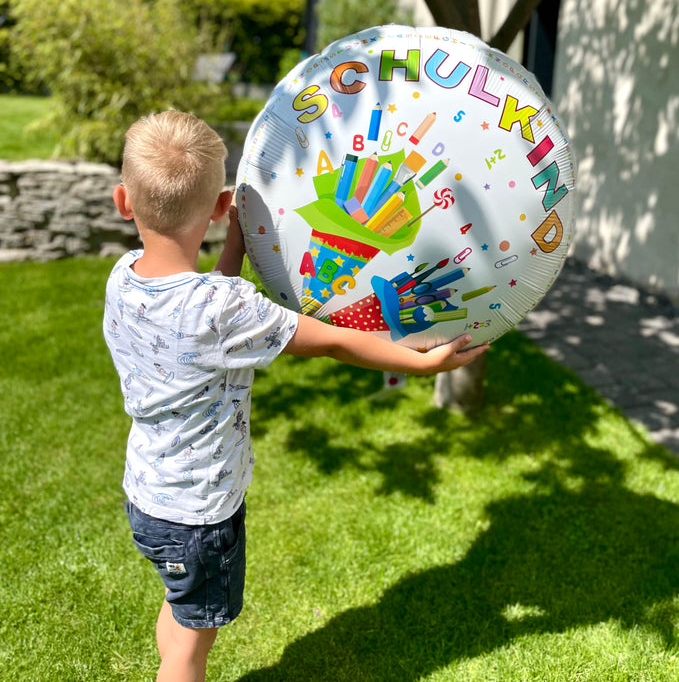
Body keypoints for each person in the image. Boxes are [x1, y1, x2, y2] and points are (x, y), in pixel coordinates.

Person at [103, 110, 488, 682]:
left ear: (123, 202)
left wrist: (234, 244)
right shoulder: (225, 311)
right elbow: (333, 342)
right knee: (191, 647)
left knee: (182, 613)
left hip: (148, 495)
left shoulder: (124, 275)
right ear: (218, 204)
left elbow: (208, 296)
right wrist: (419, 359)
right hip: (201, 514)